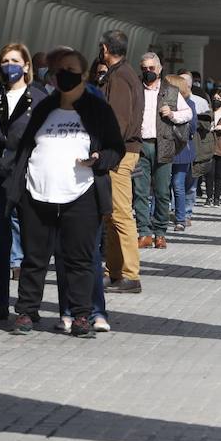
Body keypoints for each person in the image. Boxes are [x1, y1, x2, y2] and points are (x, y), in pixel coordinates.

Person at [5, 50, 124, 338]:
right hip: (38, 193)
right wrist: (16, 187)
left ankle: (81, 315)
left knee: (80, 258)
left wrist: (99, 159)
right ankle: (27, 311)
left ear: (83, 74)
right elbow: (24, 147)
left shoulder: (97, 109)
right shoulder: (43, 108)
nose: (63, 74)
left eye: (70, 69)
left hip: (80, 194)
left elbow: (115, 148)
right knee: (34, 257)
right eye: (59, 70)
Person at [0, 41, 45, 320]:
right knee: (1, 238)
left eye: (15, 61)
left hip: (27, 175)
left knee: (30, 240)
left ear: (26, 65)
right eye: (4, 61)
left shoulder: (37, 98)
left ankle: (29, 305)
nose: (9, 66)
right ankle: (0, 302)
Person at [97, 30, 143, 295]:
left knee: (121, 214)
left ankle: (129, 274)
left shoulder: (120, 77)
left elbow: (118, 120)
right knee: (112, 214)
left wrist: (108, 151)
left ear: (104, 49)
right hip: (121, 150)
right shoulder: (123, 74)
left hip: (120, 151)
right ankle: (114, 270)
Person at [132, 53, 171, 250]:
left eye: (151, 68)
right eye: (144, 69)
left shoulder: (169, 91)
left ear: (159, 68)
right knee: (140, 191)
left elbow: (187, 113)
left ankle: (161, 233)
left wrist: (173, 114)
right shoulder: (135, 89)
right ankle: (144, 232)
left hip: (162, 146)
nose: (148, 72)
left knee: (162, 192)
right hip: (140, 147)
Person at [161, 73, 198, 231]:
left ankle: (180, 218)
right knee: (161, 184)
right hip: (165, 148)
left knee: (178, 184)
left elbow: (193, 128)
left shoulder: (189, 103)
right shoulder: (161, 102)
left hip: (182, 149)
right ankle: (158, 216)